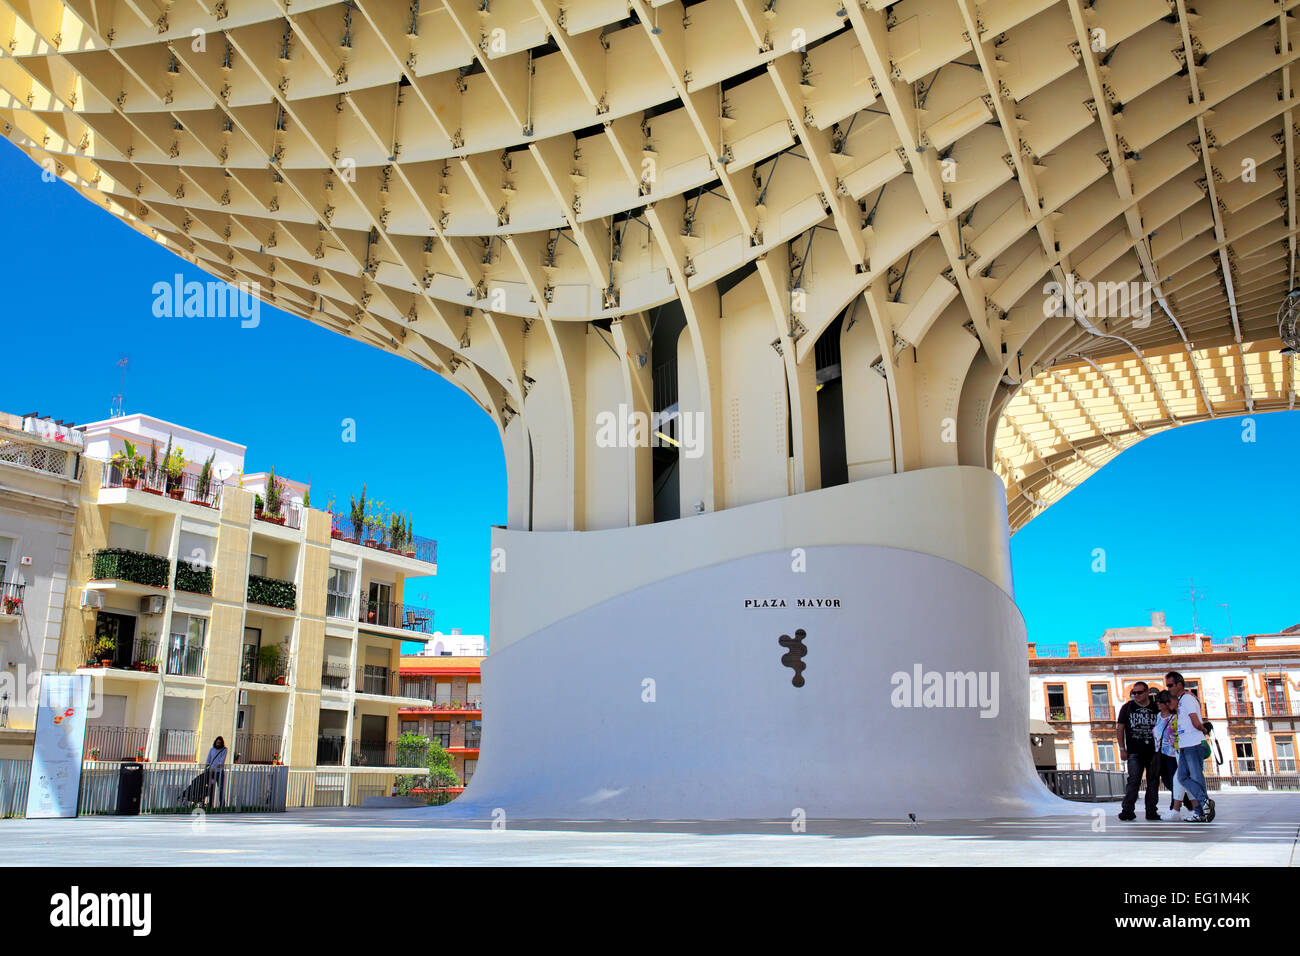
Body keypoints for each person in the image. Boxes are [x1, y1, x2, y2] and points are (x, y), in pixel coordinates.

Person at [1165, 672, 1215, 823]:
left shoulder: (1187, 699)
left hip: (1193, 743)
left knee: (1196, 778)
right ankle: (1204, 804)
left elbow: (1195, 720)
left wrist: (1203, 729)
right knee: (1182, 777)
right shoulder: (1182, 700)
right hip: (1186, 745)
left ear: (1179, 684)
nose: (1168, 688)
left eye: (1170, 685)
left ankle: (1201, 810)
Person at [1115, 681, 1161, 820]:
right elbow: (1120, 728)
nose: (1136, 695)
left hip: (1153, 751)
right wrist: (1122, 749)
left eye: (1139, 692)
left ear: (1147, 692)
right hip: (1134, 751)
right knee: (1133, 781)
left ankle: (1151, 810)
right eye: (1133, 693)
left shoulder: (1155, 707)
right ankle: (1127, 810)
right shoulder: (1127, 707)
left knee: (1153, 781)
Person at [1152, 691, 1184, 820]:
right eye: (1157, 701)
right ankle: (1183, 800)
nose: (1158, 703)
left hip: (1172, 753)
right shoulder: (1158, 716)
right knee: (1165, 780)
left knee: (1173, 781)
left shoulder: (1175, 717)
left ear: (1167, 703)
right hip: (1160, 753)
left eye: (1161, 701)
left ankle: (1174, 808)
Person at [204, 736, 228, 810]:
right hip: (212, 773)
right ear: (215, 742)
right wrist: (206, 766)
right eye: (217, 742)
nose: (218, 744)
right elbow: (208, 758)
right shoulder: (212, 750)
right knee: (211, 788)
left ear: (222, 743)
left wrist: (217, 766)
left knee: (221, 788)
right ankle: (210, 804)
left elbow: (222, 760)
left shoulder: (224, 750)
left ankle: (222, 805)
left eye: (219, 743)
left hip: (219, 773)